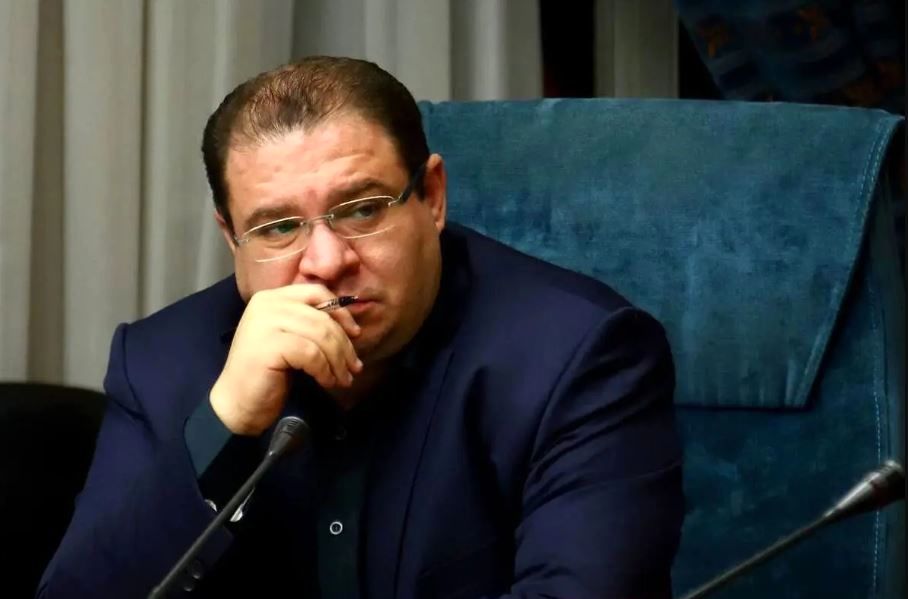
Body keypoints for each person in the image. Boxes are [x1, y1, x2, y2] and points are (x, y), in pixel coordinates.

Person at [39, 56, 683, 598]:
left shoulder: (581, 355)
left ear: (432, 197)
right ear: (232, 238)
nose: (325, 262)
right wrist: (222, 423)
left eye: (362, 210)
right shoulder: (159, 362)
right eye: (278, 227)